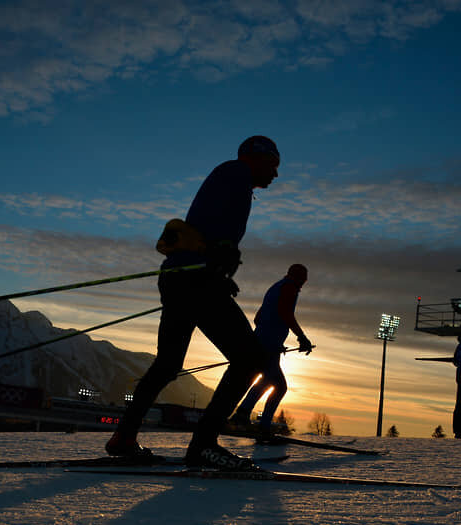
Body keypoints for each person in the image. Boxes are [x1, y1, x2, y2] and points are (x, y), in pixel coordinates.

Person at [105, 135, 281, 470]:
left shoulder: (230, 177)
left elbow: (207, 224)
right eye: (273, 165)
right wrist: (220, 255)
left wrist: (217, 261)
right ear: (257, 157)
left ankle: (124, 436)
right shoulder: (236, 175)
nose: (275, 174)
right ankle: (202, 445)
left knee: (169, 364)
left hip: (179, 276)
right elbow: (216, 227)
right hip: (196, 279)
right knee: (250, 359)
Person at [229, 264, 313, 435]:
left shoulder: (277, 286)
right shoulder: (289, 288)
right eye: (303, 279)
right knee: (279, 385)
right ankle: (257, 423)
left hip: (264, 342)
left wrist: (270, 337)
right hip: (268, 344)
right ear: (299, 278)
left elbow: (258, 318)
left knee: (269, 380)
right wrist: (301, 336)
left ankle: (246, 416)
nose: (303, 284)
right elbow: (285, 313)